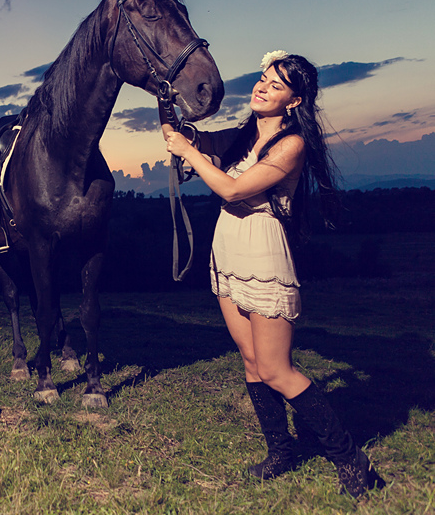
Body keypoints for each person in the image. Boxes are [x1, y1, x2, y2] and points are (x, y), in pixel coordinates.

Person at [162, 51, 383, 497]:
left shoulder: (291, 145)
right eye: (263, 78)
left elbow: (230, 187)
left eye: (276, 84)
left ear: (294, 101)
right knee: (250, 361)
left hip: (263, 254)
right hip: (227, 249)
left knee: (276, 368)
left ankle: (352, 460)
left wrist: (189, 152)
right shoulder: (242, 136)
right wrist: (174, 121)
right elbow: (199, 146)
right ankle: (281, 450)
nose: (262, 86)